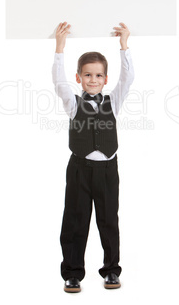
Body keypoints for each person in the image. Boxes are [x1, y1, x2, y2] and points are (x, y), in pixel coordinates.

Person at [52, 21, 134, 293]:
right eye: (87, 75)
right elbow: (58, 81)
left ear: (105, 79)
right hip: (79, 170)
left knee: (109, 221)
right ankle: (73, 274)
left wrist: (123, 46)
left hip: (108, 171)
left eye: (99, 76)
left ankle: (111, 271)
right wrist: (60, 49)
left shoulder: (114, 100)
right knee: (75, 221)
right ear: (79, 78)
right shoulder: (72, 103)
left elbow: (128, 78)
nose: (93, 80)